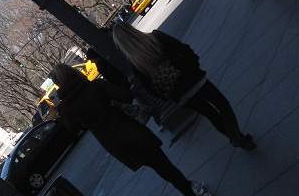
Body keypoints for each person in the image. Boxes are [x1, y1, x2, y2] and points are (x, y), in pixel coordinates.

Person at [50, 64, 213, 196]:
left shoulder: (66, 108)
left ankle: (191, 186)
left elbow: (71, 129)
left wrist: (60, 109)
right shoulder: (95, 86)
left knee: (159, 166)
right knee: (163, 165)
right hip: (129, 131)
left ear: (59, 84)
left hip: (113, 144)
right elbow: (125, 95)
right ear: (73, 73)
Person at [108, 22, 258, 150]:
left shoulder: (136, 65)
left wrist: (169, 94)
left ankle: (234, 138)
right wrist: (194, 65)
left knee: (210, 114)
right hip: (194, 80)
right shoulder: (155, 37)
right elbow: (183, 48)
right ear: (133, 29)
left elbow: (150, 90)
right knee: (222, 105)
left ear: (122, 44)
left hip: (181, 95)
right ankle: (237, 136)